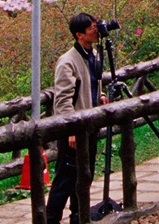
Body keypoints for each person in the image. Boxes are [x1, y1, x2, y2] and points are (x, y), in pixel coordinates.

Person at [47, 13, 106, 224]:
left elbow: (89, 83)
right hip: (72, 129)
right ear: (79, 34)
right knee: (65, 178)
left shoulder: (94, 54)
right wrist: (70, 129)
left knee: (85, 175)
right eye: (91, 27)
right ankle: (51, 219)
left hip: (89, 125)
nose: (96, 30)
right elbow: (62, 100)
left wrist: (99, 96)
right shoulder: (67, 61)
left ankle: (78, 216)